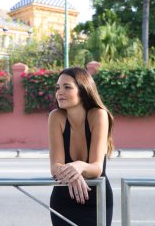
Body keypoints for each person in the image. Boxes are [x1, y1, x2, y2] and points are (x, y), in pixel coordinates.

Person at [48, 67, 114, 226]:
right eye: (58, 87)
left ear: (83, 90)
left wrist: (78, 166)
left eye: (67, 87)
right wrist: (74, 172)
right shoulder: (55, 117)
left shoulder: (98, 115)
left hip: (96, 201)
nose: (59, 92)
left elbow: (97, 168)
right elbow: (55, 168)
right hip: (63, 201)